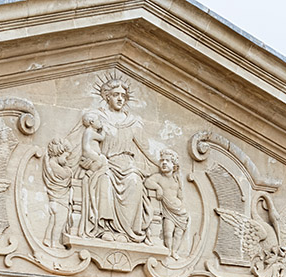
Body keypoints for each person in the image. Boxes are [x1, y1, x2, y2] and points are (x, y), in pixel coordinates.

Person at [80, 76, 155, 243]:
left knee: (135, 181)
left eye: (123, 95)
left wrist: (161, 165)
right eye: (115, 94)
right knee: (104, 180)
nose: (120, 98)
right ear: (107, 96)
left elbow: (146, 150)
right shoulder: (100, 119)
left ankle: (126, 232)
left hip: (128, 165)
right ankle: (105, 228)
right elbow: (88, 141)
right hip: (107, 163)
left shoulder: (134, 122)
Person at [145, 149, 189, 258]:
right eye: (162, 160)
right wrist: (158, 188)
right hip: (167, 210)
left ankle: (174, 251)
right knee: (168, 232)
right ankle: (168, 250)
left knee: (178, 233)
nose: (164, 163)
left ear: (174, 166)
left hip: (179, 210)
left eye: (168, 161)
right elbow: (147, 182)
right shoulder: (158, 177)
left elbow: (181, 196)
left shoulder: (176, 178)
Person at [42, 138, 73, 247]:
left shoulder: (49, 163)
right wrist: (69, 170)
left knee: (52, 221)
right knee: (59, 222)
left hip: (54, 198)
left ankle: (47, 239)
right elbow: (65, 175)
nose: (66, 160)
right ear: (59, 153)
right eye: (65, 156)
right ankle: (54, 242)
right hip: (59, 198)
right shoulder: (53, 164)